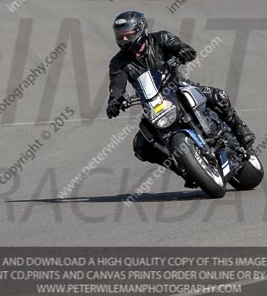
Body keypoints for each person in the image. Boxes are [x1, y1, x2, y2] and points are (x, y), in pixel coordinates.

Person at [106, 11, 255, 186]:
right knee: (141, 146)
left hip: (178, 88)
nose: (123, 40)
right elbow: (116, 85)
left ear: (140, 30)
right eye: (120, 36)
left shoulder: (161, 38)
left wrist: (183, 52)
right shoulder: (118, 63)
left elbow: (183, 48)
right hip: (154, 104)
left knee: (218, 95)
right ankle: (185, 170)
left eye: (127, 36)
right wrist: (114, 102)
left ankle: (241, 129)